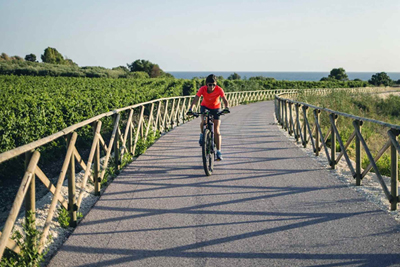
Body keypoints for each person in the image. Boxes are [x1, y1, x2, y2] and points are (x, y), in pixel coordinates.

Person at [187, 74, 230, 161]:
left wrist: (226, 108)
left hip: (216, 108)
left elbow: (224, 99)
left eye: (214, 84)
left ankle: (218, 152)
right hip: (205, 107)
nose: (212, 87)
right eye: (210, 84)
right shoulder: (202, 89)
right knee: (203, 121)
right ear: (206, 84)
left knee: (216, 129)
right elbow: (196, 99)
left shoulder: (219, 89)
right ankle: (202, 135)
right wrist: (191, 109)